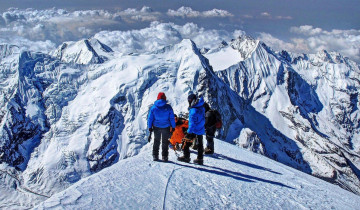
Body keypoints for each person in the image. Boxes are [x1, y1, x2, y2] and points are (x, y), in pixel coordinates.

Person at [178, 94, 205, 165]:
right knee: (200, 144)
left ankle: (186, 157)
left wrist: (189, 132)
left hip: (194, 130)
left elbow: (192, 124)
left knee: (185, 142)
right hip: (201, 128)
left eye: (190, 100)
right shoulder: (201, 107)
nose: (189, 102)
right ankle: (200, 159)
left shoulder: (193, 111)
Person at [148, 92, 176, 162]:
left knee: (156, 141)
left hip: (156, 127)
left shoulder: (153, 107)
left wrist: (149, 127)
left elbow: (150, 118)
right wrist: (173, 126)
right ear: (164, 98)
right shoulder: (168, 107)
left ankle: (155, 156)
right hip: (166, 127)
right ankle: (164, 156)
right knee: (165, 142)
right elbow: (172, 118)